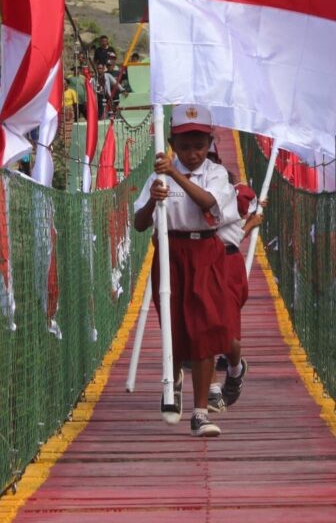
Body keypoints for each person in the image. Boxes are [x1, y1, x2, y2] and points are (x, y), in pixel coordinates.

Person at [132, 105, 239, 437]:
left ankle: (200, 411)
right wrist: (152, 199)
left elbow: (209, 204)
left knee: (205, 329)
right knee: (175, 326)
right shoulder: (157, 177)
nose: (192, 154)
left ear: (209, 143)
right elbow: (138, 223)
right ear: (171, 144)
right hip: (171, 252)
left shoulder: (216, 174)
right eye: (184, 147)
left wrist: (175, 175)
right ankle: (172, 383)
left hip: (206, 252)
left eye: (199, 146)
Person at [205, 152, 261, 413]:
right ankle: (210, 389)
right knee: (201, 323)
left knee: (227, 332)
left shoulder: (233, 196)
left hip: (227, 264)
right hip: (200, 264)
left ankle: (235, 369)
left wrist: (250, 223)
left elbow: (234, 234)